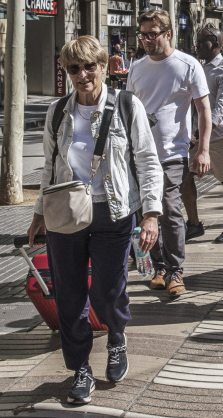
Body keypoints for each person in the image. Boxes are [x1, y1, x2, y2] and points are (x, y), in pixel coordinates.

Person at [26, 36, 164, 405]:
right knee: (69, 297)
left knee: (107, 291)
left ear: (103, 66)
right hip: (66, 214)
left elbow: (148, 161)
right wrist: (39, 212)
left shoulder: (126, 105)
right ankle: (81, 369)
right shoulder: (57, 111)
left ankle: (116, 338)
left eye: (90, 66)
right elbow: (49, 168)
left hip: (113, 213)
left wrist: (151, 214)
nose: (83, 74)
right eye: (74, 68)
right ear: (67, 72)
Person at [127, 9, 212, 299]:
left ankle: (176, 270)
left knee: (169, 208)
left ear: (168, 33)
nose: (147, 40)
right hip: (140, 154)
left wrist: (203, 150)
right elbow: (129, 110)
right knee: (147, 212)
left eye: (153, 34)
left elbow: (203, 109)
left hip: (173, 152)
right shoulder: (137, 68)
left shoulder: (187, 65)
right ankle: (159, 267)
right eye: (143, 35)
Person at [183, 26, 223, 244]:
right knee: (185, 177)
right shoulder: (198, 68)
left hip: (222, 135)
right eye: (197, 42)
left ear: (216, 44)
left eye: (202, 42)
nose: (197, 46)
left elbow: (222, 108)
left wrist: (201, 133)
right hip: (196, 135)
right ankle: (194, 224)